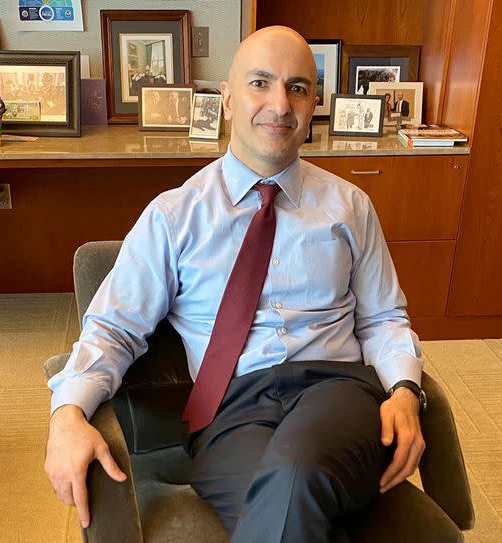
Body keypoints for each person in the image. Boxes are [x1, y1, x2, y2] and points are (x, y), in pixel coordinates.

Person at [44, 26, 424, 542]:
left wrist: (404, 390)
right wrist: (67, 413)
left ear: (314, 104)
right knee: (281, 515)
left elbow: (383, 318)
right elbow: (113, 326)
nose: (279, 104)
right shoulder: (174, 216)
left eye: (297, 88)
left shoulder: (349, 207)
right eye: (260, 82)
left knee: (293, 475)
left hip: (337, 394)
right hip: (229, 415)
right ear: (226, 98)